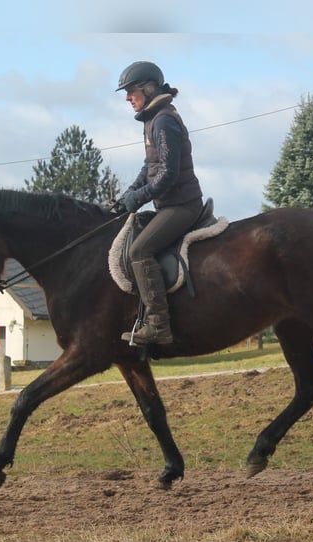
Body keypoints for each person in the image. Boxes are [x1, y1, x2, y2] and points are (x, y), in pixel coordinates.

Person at [115, 61, 204, 346]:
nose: (128, 98)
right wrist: (126, 196)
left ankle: (158, 325)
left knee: (139, 251)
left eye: (131, 91)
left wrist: (139, 198)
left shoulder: (163, 120)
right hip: (168, 205)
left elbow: (168, 174)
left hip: (182, 206)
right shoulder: (153, 119)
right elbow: (149, 167)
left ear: (148, 88)